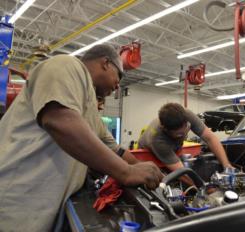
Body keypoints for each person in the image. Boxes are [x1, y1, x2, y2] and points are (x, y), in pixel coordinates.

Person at [0, 44, 162, 231]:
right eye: (118, 76)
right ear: (105, 63)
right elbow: (58, 120)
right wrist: (126, 172)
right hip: (14, 203)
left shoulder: (89, 109)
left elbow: (117, 151)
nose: (118, 85)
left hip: (43, 212)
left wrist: (149, 173)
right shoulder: (65, 65)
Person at [138, 103, 233, 177]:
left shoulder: (186, 114)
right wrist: (202, 188)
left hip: (172, 150)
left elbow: (210, 138)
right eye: (179, 134)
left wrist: (226, 166)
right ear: (165, 129)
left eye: (185, 130)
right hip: (146, 156)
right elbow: (182, 173)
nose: (183, 135)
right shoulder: (157, 140)